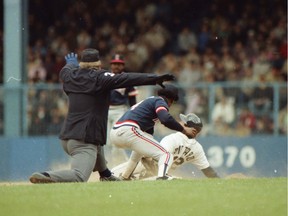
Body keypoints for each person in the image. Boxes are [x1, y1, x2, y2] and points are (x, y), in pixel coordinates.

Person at [29, 48, 175, 183]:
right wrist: (154, 79)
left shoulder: (68, 74)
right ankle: (46, 176)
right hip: (83, 139)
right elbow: (128, 78)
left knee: (97, 140)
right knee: (79, 176)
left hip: (67, 136)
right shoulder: (100, 78)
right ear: (98, 65)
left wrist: (71, 64)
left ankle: (105, 174)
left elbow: (67, 69)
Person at [109, 84, 197, 180]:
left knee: (139, 152)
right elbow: (165, 119)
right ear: (171, 100)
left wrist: (148, 155)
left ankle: (125, 176)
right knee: (166, 155)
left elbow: (148, 135)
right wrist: (184, 130)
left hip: (116, 133)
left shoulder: (150, 102)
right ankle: (162, 176)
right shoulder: (160, 101)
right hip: (128, 130)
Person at [111, 113, 219, 180]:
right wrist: (220, 182)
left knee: (111, 175)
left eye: (184, 122)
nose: (180, 122)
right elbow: (208, 171)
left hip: (145, 169)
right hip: (158, 174)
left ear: (193, 130)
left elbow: (157, 157)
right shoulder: (197, 148)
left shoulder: (173, 138)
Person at [106, 54, 138, 167]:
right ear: (111, 65)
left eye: (119, 64)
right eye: (114, 63)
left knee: (116, 142)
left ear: (123, 66)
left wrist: (134, 114)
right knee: (107, 142)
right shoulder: (105, 77)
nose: (116, 66)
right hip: (105, 110)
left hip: (120, 110)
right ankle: (117, 166)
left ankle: (123, 166)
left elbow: (132, 100)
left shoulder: (127, 79)